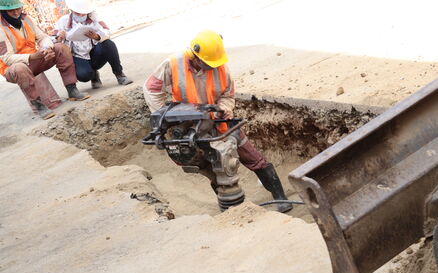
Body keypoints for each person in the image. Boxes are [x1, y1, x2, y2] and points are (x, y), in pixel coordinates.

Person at [143, 30, 292, 213]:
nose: (211, 67)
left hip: (216, 119)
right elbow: (151, 88)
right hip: (190, 125)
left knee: (252, 156)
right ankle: (231, 206)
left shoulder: (219, 66)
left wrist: (225, 107)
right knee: (212, 168)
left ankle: (280, 196)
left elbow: (227, 94)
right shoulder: (173, 64)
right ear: (195, 56)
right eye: (206, 64)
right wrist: (164, 115)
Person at [0, 0, 88, 119]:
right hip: (12, 68)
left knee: (60, 48)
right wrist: (32, 57)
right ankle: (39, 105)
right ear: (3, 11)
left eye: (18, 9)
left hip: (33, 60)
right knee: (20, 68)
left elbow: (43, 37)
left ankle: (72, 90)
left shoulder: (26, 19)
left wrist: (46, 48)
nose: (16, 13)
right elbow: (7, 58)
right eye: (11, 10)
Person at [54, 0, 132, 89]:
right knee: (84, 75)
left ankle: (119, 74)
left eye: (83, 14)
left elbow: (107, 32)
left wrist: (97, 36)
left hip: (95, 52)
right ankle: (93, 75)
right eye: (77, 13)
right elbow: (52, 40)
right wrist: (59, 38)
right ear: (71, 10)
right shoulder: (63, 21)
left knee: (109, 44)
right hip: (78, 56)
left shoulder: (95, 18)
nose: (80, 16)